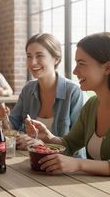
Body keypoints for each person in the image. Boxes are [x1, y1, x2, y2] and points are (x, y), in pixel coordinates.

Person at [25, 32, 110, 175]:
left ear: (107, 68)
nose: (75, 71)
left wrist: (79, 164)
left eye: (81, 64)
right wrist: (48, 137)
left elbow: (79, 161)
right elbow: (69, 144)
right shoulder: (92, 105)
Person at [0, 33, 85, 155]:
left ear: (56, 59)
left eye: (39, 56)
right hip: (31, 161)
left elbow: (78, 144)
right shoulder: (28, 89)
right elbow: (13, 127)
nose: (32, 63)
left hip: (68, 168)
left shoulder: (73, 92)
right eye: (29, 56)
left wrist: (41, 144)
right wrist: (3, 118)